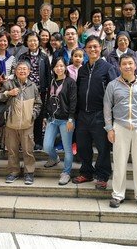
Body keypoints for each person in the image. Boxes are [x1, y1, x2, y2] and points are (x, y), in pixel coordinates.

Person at [104, 53, 137, 211]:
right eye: (124, 64)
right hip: (120, 126)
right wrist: (109, 128)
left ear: (135, 66)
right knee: (119, 162)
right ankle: (118, 194)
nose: (127, 66)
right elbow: (107, 108)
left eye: (130, 63)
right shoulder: (112, 85)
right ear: (119, 66)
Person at [72, 36, 117, 188]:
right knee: (83, 146)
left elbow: (114, 92)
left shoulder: (108, 68)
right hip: (83, 114)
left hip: (100, 114)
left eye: (95, 46)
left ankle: (103, 175)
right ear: (85, 50)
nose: (92, 49)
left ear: (100, 48)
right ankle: (86, 172)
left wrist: (111, 116)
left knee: (102, 147)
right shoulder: (83, 69)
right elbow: (78, 91)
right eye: (89, 47)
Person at [0, 60, 42, 185]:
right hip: (11, 124)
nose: (22, 71)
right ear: (15, 71)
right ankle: (13, 172)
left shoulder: (33, 86)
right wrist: (8, 93)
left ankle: (29, 173)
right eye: (19, 69)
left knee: (28, 150)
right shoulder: (8, 84)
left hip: (27, 124)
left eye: (24, 69)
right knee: (12, 150)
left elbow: (38, 103)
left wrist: (32, 115)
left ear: (29, 72)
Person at [43, 57, 77, 185]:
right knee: (47, 146)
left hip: (65, 120)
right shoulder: (51, 82)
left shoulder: (70, 82)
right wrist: (46, 116)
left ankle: (66, 172)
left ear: (65, 67)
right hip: (52, 119)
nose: (59, 68)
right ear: (53, 68)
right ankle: (54, 158)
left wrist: (70, 118)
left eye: (61, 66)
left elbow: (73, 102)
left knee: (67, 149)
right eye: (56, 66)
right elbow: (48, 99)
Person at [18, 31, 51, 150]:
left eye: (35, 40)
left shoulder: (44, 57)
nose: (33, 42)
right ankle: (24, 142)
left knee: (38, 116)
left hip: (40, 90)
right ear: (26, 42)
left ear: (38, 42)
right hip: (26, 89)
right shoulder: (23, 57)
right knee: (25, 115)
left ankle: (37, 141)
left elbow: (48, 75)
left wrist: (47, 90)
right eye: (30, 40)